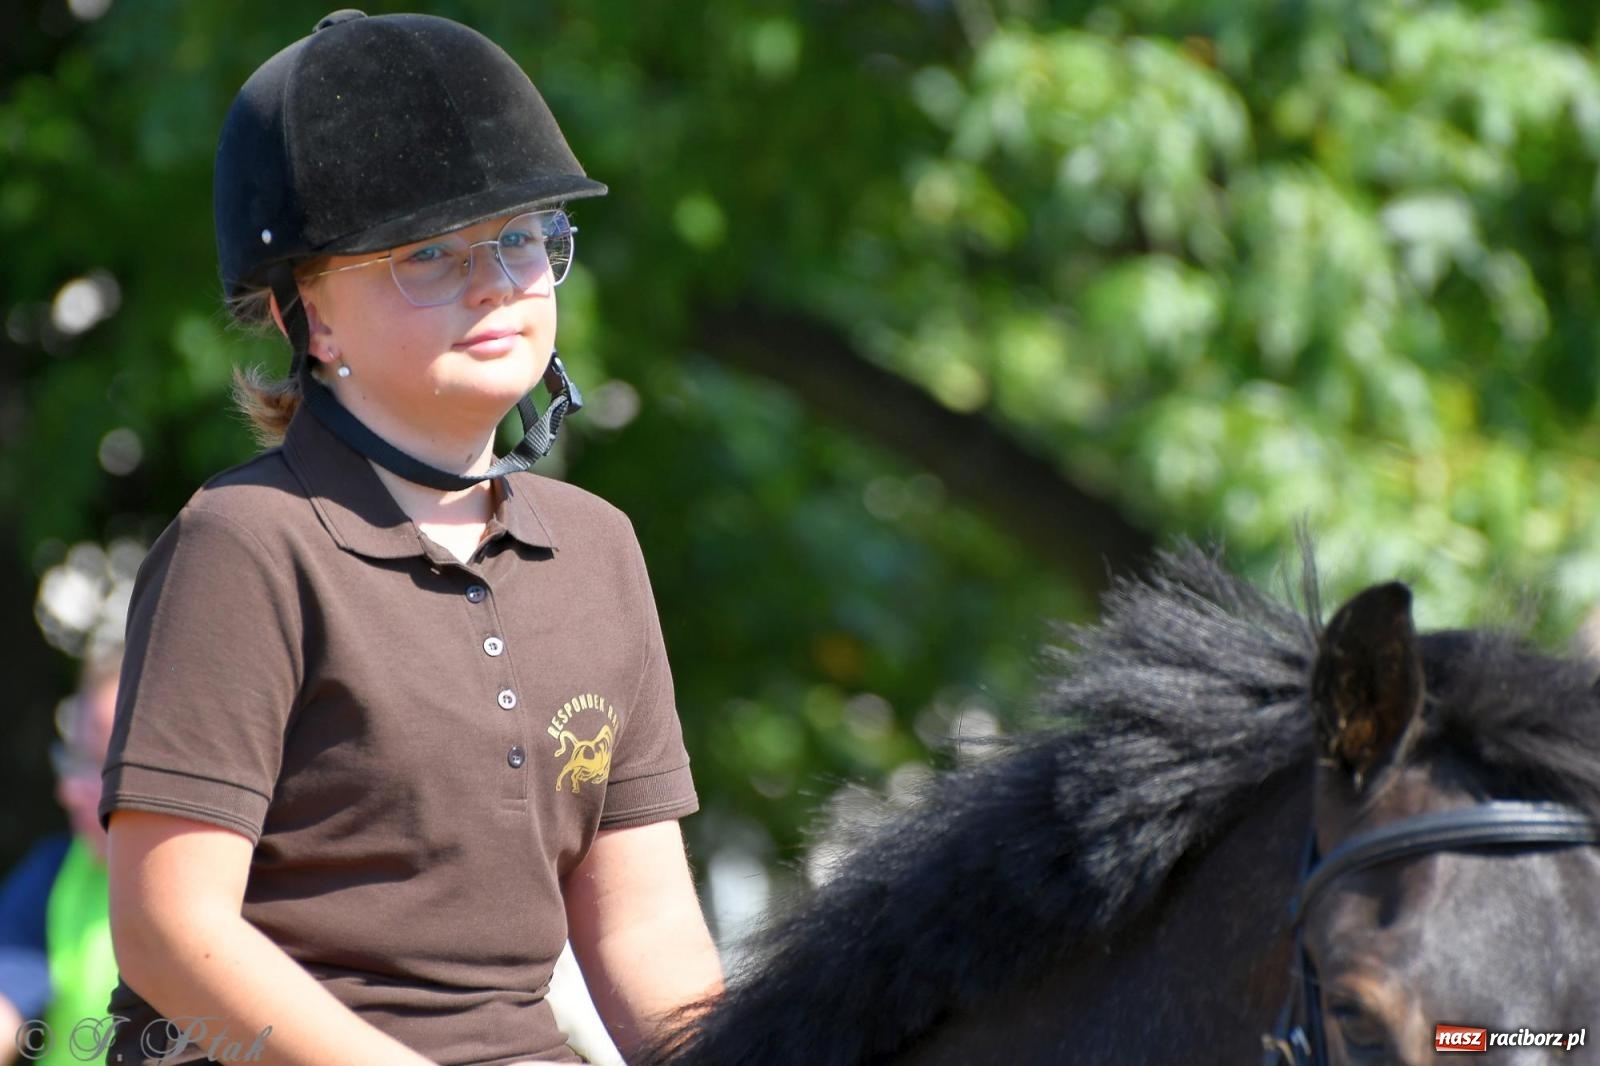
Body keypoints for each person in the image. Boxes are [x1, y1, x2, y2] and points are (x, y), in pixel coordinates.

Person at [98, 11, 723, 1066]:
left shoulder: (598, 547)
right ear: (310, 317)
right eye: (427, 253)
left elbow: (644, 928)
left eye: (522, 238)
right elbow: (169, 929)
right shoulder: (247, 543)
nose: (494, 282)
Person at [0, 646, 121, 1066]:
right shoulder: (57, 869)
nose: (68, 791)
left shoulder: (252, 894)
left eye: (103, 768)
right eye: (75, 759)